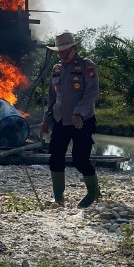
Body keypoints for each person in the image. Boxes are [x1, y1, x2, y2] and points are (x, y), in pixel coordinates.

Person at [41, 31, 100, 208]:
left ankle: (92, 192)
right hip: (60, 120)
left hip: (82, 120)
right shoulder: (57, 69)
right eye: (59, 52)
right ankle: (58, 197)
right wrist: (47, 117)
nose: (62, 54)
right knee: (56, 157)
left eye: (65, 51)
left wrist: (79, 113)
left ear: (74, 48)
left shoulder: (87, 66)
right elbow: (53, 96)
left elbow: (92, 92)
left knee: (80, 159)